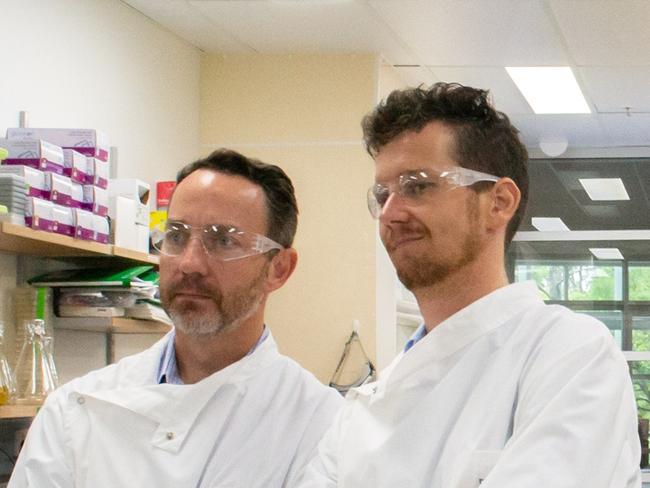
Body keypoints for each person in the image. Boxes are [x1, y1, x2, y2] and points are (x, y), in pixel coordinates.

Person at [296, 83, 641, 487]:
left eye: (417, 185)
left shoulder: (570, 355)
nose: (389, 212)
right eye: (381, 193)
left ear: (499, 202)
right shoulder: (361, 411)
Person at [10, 149, 342, 487]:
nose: (189, 263)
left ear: (279, 268)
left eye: (223, 240)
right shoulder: (76, 410)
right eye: (177, 236)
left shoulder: (321, 423)